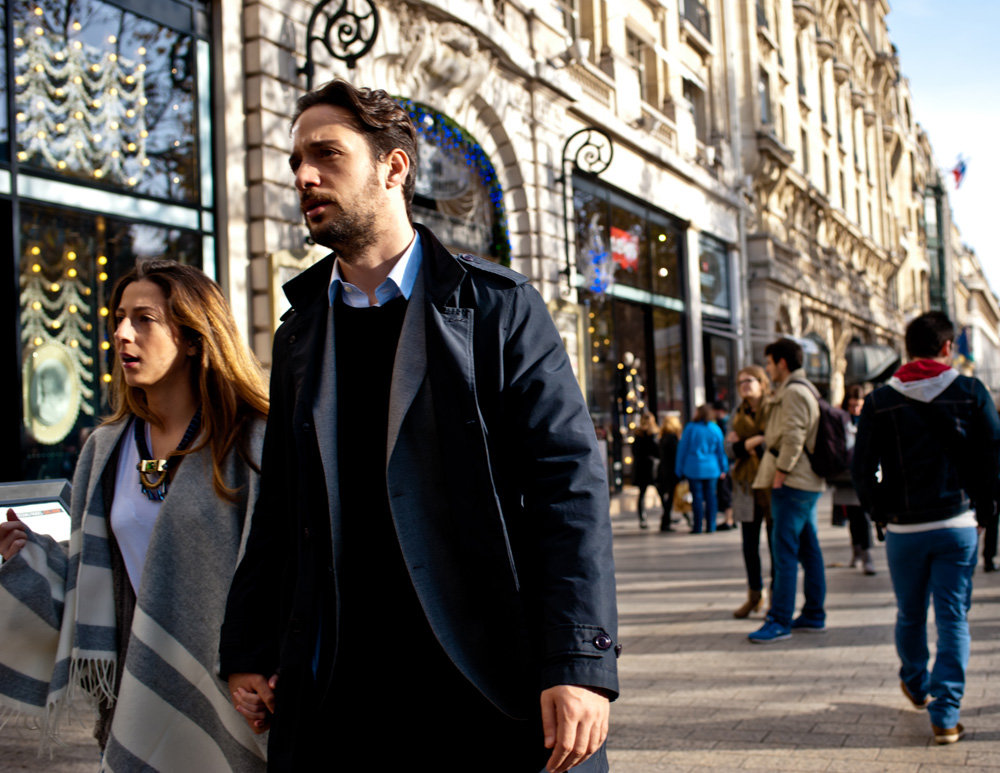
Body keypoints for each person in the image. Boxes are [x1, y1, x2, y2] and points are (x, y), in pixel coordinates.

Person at [219, 80, 619, 773]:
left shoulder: (498, 309)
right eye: (296, 162)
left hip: (485, 680)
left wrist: (578, 661)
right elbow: (281, 507)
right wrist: (249, 648)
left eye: (326, 155)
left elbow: (569, 488)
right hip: (343, 690)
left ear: (393, 167)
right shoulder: (300, 334)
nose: (304, 176)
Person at [0, 260, 269, 770]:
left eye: (144, 319)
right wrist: (29, 553)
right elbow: (95, 571)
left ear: (193, 336)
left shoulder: (251, 442)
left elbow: (285, 569)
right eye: (119, 318)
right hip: (135, 690)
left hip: (240, 694)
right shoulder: (105, 448)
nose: (122, 333)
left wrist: (264, 661)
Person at [852, 311, 1000, 745]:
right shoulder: (971, 391)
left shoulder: (881, 400)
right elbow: (993, 454)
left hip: (904, 529)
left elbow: (863, 468)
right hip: (956, 523)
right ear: (947, 347)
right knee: (953, 616)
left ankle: (917, 684)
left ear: (907, 347)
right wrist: (987, 510)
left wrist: (878, 510)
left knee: (910, 612)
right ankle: (946, 712)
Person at [748, 337, 826, 643]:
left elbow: (794, 436)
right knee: (808, 548)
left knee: (784, 552)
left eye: (769, 363)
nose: (768, 369)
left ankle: (779, 620)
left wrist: (781, 472)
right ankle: (814, 613)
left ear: (781, 362)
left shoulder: (794, 392)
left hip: (793, 481)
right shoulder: (804, 389)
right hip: (803, 481)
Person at [725, 365, 773, 618]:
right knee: (749, 545)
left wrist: (745, 443)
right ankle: (755, 596)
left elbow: (775, 441)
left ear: (762, 383)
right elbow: (729, 450)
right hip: (745, 486)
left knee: (776, 543)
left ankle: (776, 598)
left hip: (771, 484)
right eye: (740, 382)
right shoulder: (737, 413)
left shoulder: (773, 408)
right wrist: (754, 441)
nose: (744, 385)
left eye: (749, 380)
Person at [831, 384, 875, 575]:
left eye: (859, 405)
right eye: (852, 405)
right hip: (845, 475)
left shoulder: (870, 419)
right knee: (852, 516)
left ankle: (866, 554)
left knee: (862, 515)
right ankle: (857, 551)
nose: (856, 409)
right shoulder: (840, 419)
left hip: (863, 473)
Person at [674, 404, 727, 534]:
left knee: (697, 498)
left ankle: (697, 526)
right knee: (711, 497)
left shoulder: (690, 428)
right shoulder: (714, 429)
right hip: (711, 468)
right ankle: (711, 525)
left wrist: (679, 468)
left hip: (694, 468)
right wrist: (723, 467)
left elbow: (682, 449)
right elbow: (721, 450)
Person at [633, 411, 661, 529]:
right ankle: (667, 515)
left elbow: (634, 451)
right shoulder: (654, 434)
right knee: (660, 491)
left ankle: (642, 518)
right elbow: (657, 451)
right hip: (651, 467)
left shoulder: (638, 434)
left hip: (641, 467)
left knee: (642, 493)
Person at [656, 414, 682, 531]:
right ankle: (665, 521)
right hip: (670, 471)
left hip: (663, 470)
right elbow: (675, 456)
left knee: (670, 497)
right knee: (671, 497)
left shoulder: (663, 437)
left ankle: (666, 519)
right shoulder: (671, 438)